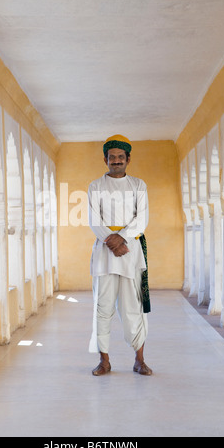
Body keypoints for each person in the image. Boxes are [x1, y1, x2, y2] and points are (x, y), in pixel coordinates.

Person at [88, 134, 152, 376]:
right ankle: (104, 361)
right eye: (112, 157)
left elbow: (142, 219)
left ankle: (139, 360)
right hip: (106, 252)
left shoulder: (139, 185)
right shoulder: (95, 186)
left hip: (130, 251)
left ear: (128, 159)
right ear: (105, 159)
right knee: (102, 307)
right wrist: (113, 241)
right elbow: (94, 220)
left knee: (132, 308)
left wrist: (122, 238)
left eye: (120, 157)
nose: (116, 161)